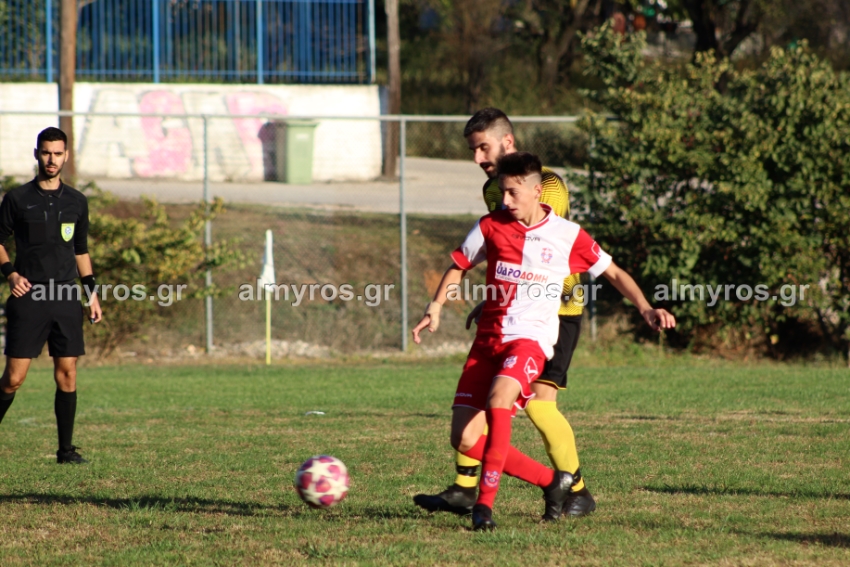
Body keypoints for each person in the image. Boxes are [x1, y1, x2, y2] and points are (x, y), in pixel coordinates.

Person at [412, 152, 675, 530]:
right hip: (487, 342)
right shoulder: (489, 225)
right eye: (502, 192)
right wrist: (435, 306)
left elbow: (613, 272)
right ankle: (552, 481)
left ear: (537, 191)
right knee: (465, 438)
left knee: (500, 401)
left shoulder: (567, 235)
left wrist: (646, 308)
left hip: (529, 341)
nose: (505, 200)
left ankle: (484, 506)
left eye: (513, 193)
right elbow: (459, 266)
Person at [414, 108, 595, 519]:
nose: (478, 158)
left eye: (483, 148)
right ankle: (465, 487)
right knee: (483, 403)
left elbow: (543, 247)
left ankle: (576, 490)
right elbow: (504, 248)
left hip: (556, 309)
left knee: (539, 406)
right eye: (473, 151)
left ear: (507, 142)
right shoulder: (494, 189)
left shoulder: (547, 185)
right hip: (514, 311)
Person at [0, 127, 103, 464]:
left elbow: (81, 251)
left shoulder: (76, 201)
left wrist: (91, 295)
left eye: (58, 153)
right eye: (46, 152)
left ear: (66, 156)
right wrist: (11, 273)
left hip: (65, 296)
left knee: (68, 373)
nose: (51, 159)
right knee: (14, 379)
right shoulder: (17, 199)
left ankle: (66, 451)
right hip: (29, 296)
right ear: (37, 154)